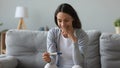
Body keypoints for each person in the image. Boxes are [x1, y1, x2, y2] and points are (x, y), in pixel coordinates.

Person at [42, 3, 88, 68]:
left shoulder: (82, 35)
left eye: (66, 20)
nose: (63, 24)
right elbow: (53, 59)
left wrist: (74, 40)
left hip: (75, 66)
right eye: (59, 21)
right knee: (48, 66)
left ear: (73, 18)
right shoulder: (52, 33)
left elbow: (78, 63)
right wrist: (49, 59)